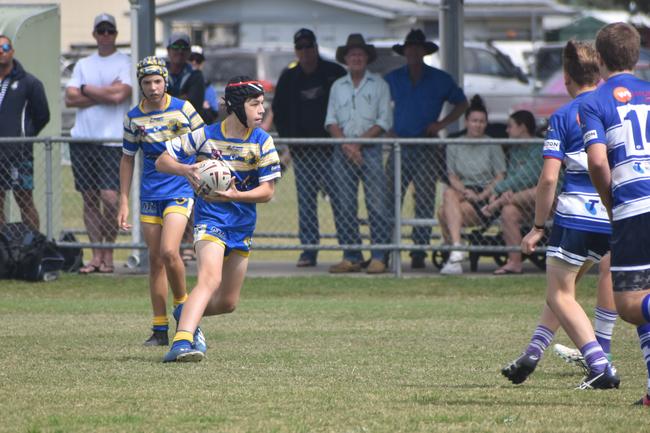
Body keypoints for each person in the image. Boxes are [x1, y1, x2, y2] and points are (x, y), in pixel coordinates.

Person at [501, 40, 619, 389]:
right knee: (575, 285)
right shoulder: (616, 107)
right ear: (598, 72)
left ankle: (600, 364)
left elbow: (549, 177)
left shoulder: (565, 115)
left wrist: (537, 226)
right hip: (615, 214)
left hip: (576, 218)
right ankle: (533, 353)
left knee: (559, 292)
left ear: (566, 77)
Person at [156, 76, 281, 362]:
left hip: (241, 224)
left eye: (262, 104)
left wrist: (234, 196)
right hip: (210, 218)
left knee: (227, 303)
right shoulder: (205, 135)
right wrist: (185, 170)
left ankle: (184, 312)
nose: (261, 110)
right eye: (255, 104)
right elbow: (161, 161)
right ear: (237, 107)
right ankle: (182, 343)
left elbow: (267, 192)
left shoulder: (263, 141)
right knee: (209, 279)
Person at [582, 23, 650, 403]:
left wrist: (609, 199)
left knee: (628, 306)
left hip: (635, 206)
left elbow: (596, 161)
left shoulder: (596, 100)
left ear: (600, 59)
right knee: (644, 300)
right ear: (637, 56)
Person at [118, 57, 205, 346]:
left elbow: (205, 145)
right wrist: (124, 202)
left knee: (170, 251)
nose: (153, 87)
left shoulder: (184, 110)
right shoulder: (133, 117)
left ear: (165, 81)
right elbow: (127, 159)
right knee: (155, 261)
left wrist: (207, 178)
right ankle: (159, 329)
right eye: (147, 82)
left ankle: (184, 311)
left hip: (179, 187)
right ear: (140, 85)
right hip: (150, 193)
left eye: (157, 81)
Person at [384, 29, 468, 269]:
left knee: (424, 198)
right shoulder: (393, 78)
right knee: (391, 198)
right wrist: (386, 128)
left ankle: (419, 251)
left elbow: (462, 103)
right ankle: (389, 248)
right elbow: (379, 103)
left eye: (417, 47)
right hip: (399, 145)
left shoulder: (440, 78)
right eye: (409, 47)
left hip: (426, 144)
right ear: (404, 51)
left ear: (423, 51)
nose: (412, 51)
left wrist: (441, 124)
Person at [272, 28, 346, 267]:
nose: (305, 51)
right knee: (305, 202)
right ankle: (309, 250)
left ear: (315, 47)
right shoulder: (289, 77)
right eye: (300, 47)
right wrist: (290, 142)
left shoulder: (334, 72)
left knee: (341, 199)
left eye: (309, 46)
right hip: (302, 152)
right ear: (296, 50)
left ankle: (349, 250)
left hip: (332, 150)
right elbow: (279, 112)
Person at [64, 13, 132, 274]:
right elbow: (70, 98)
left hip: (113, 142)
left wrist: (86, 89)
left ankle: (109, 252)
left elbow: (120, 96)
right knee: (90, 198)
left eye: (110, 30)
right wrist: (102, 91)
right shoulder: (83, 63)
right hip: (83, 139)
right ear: (94, 34)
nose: (105, 35)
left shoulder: (124, 62)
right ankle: (96, 256)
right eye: (101, 30)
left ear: (115, 34)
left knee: (111, 198)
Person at [325, 34, 393, 274]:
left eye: (360, 54)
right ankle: (352, 255)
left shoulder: (380, 85)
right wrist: (347, 146)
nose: (356, 58)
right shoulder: (337, 86)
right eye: (352, 54)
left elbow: (384, 121)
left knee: (377, 205)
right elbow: (331, 120)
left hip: (371, 151)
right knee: (344, 205)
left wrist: (359, 145)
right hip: (342, 151)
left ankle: (379, 256)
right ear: (345, 58)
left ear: (367, 58)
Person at [437, 95, 505, 275]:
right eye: (474, 121)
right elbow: (452, 176)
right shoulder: (455, 144)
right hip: (463, 190)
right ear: (466, 122)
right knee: (448, 194)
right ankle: (457, 249)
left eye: (482, 121)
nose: (478, 125)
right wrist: (466, 191)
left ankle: (454, 255)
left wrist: (481, 195)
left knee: (443, 213)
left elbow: (500, 176)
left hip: (487, 193)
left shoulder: (492, 144)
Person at [481, 110, 541, 275]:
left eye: (510, 126)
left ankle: (495, 205)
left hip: (549, 199)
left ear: (522, 127)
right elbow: (514, 178)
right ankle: (514, 262)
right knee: (508, 212)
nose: (506, 130)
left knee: (537, 191)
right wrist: (505, 191)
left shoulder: (538, 147)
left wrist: (498, 192)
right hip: (520, 200)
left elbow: (528, 176)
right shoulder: (515, 149)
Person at [0, 34, 49, 232]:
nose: (1, 51)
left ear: (12, 51)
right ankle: (4, 254)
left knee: (24, 200)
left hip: (18, 154)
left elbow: (42, 115)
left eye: (5, 47)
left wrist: (24, 135)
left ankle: (32, 249)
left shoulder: (29, 83)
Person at [166, 32, 206, 263]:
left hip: (189, 142)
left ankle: (188, 240)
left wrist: (171, 102)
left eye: (184, 48)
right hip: (164, 144)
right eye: (175, 47)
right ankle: (172, 242)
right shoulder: (161, 74)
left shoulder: (195, 75)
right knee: (167, 193)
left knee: (189, 192)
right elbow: (155, 103)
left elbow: (193, 107)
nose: (179, 52)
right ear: (169, 50)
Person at [188, 50, 219, 124]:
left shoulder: (208, 87)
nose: (194, 62)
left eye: (198, 60)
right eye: (191, 58)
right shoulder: (173, 81)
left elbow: (213, 114)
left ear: (202, 63)